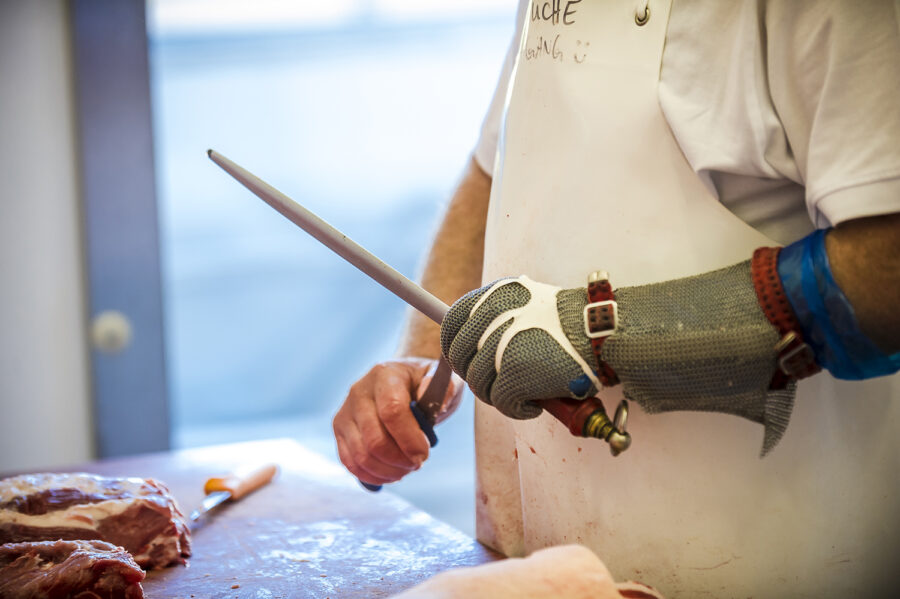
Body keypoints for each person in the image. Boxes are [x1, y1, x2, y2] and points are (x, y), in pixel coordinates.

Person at [332, 1, 900, 596]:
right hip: (543, 557)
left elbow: (887, 276)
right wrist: (427, 360)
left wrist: (599, 334)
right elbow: (491, 172)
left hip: (764, 553)